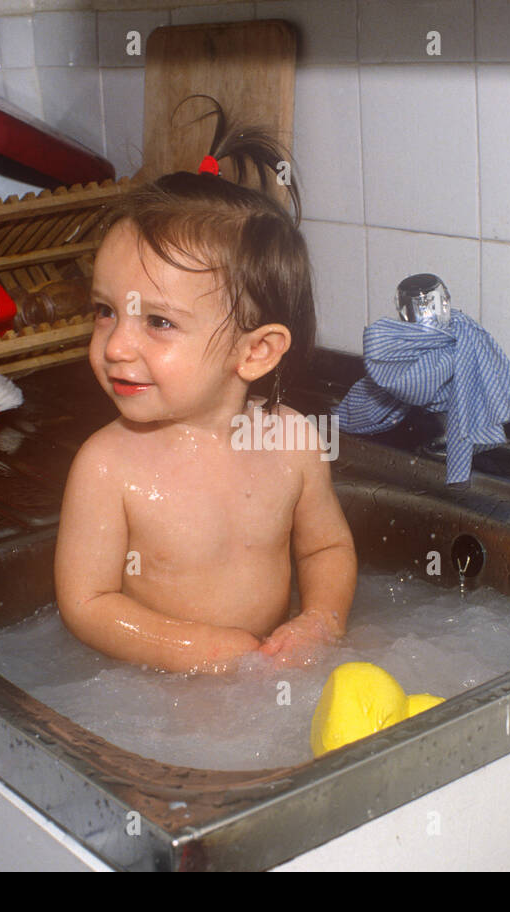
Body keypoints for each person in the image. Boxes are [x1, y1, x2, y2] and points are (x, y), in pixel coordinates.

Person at [54, 114, 357, 674]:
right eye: (105, 311)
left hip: (269, 682)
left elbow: (325, 549)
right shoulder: (108, 466)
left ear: (257, 352)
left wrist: (321, 619)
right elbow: (87, 604)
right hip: (153, 695)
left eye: (159, 323)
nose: (116, 346)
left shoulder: (291, 442)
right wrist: (193, 649)